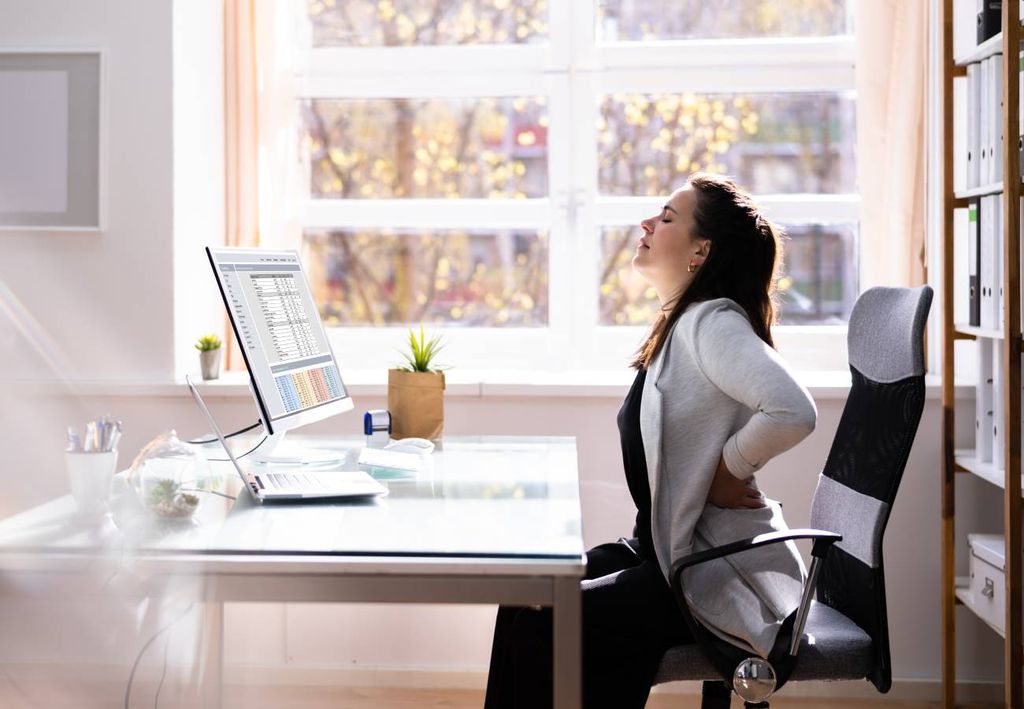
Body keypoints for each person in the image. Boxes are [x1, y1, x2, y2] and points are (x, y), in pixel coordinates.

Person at [483, 172, 818, 709]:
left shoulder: (713, 323)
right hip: (659, 555)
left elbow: (794, 410)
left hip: (699, 574)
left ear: (700, 251)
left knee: (546, 623)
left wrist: (726, 469)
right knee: (527, 595)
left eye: (666, 218)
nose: (646, 223)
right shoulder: (682, 324)